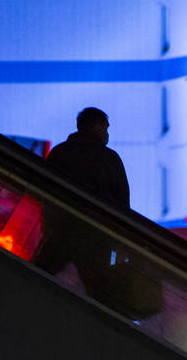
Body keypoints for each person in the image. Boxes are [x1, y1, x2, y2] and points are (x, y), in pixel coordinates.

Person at [33, 107, 130, 293]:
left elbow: (44, 191)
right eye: (106, 127)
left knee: (37, 275)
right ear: (96, 126)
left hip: (60, 231)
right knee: (100, 291)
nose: (107, 134)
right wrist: (123, 241)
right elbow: (122, 203)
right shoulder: (109, 159)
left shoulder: (59, 153)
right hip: (97, 235)